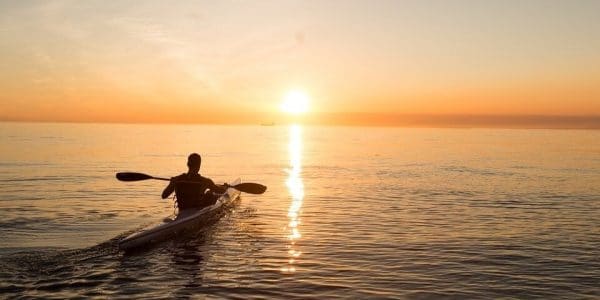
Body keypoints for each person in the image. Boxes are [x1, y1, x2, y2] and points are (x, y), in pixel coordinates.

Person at [162, 153, 227, 210]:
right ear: (199, 166)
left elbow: (164, 196)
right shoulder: (205, 181)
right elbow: (222, 192)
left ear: (187, 164)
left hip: (183, 209)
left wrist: (171, 184)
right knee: (211, 194)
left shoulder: (177, 179)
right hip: (198, 210)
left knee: (209, 193)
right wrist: (225, 187)